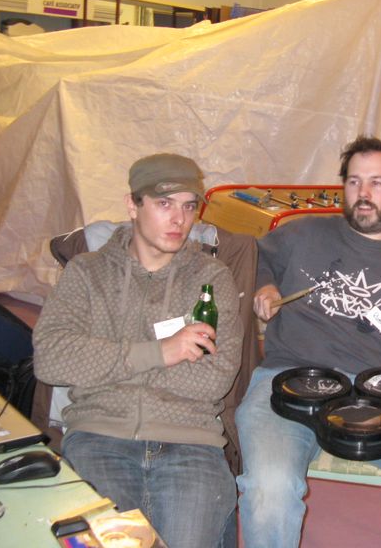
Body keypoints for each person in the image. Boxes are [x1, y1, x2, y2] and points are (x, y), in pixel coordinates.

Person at [236, 136, 381, 548]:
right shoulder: (303, 233)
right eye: (354, 181)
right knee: (270, 488)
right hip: (286, 384)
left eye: (377, 183)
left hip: (373, 396)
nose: (363, 193)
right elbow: (256, 258)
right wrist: (266, 285)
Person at [33, 153, 242, 547]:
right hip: (99, 436)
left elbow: (213, 379)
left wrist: (103, 363)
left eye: (189, 206)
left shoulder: (212, 279)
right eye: (164, 204)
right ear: (132, 205)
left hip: (191, 443)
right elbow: (51, 357)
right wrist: (163, 351)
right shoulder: (86, 273)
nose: (179, 220)